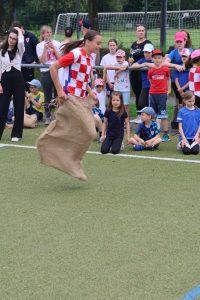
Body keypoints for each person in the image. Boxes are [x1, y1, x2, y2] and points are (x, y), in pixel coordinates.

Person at [37, 30, 102, 181]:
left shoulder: (89, 57)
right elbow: (53, 67)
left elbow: (82, 78)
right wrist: (59, 90)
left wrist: (90, 91)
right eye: (97, 43)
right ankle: (71, 159)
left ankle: (71, 160)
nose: (99, 46)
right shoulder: (76, 54)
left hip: (82, 99)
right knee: (91, 132)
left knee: (88, 131)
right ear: (87, 41)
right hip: (71, 98)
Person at [0, 27, 25, 142]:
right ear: (7, 37)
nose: (12, 40)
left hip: (18, 80)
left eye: (14, 38)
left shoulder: (20, 50)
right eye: (10, 37)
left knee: (19, 106)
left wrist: (18, 30)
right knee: (2, 107)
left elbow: (21, 42)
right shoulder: (1, 51)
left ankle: (16, 134)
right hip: (5, 80)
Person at [36, 25, 61, 125]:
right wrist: (45, 49)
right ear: (43, 34)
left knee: (57, 94)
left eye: (50, 32)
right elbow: (42, 61)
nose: (48, 34)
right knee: (47, 95)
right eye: (46, 32)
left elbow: (60, 58)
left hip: (57, 71)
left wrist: (54, 48)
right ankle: (47, 116)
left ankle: (57, 116)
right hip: (45, 71)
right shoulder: (39, 45)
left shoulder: (57, 43)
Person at [129, 24, 152, 123]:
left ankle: (146, 115)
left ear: (145, 32)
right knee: (137, 94)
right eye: (139, 30)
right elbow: (130, 55)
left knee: (144, 95)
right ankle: (139, 115)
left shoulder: (148, 43)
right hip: (134, 72)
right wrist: (130, 58)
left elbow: (147, 55)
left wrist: (135, 57)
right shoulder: (134, 44)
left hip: (143, 73)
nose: (141, 32)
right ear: (136, 32)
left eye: (142, 30)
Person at [164, 31, 187, 129]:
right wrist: (176, 65)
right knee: (179, 102)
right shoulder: (173, 52)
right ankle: (177, 123)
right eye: (177, 42)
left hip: (187, 81)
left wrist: (185, 65)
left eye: (181, 41)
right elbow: (165, 63)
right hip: (176, 81)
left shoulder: (188, 51)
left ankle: (186, 122)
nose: (179, 43)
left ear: (185, 41)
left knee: (188, 101)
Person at [148, 49, 170, 142]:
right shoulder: (151, 71)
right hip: (152, 94)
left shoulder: (166, 69)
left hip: (162, 95)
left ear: (162, 59)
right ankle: (153, 133)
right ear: (152, 59)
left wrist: (168, 90)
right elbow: (150, 81)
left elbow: (168, 79)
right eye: (155, 58)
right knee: (152, 115)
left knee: (163, 115)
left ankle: (165, 134)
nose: (157, 60)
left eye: (159, 58)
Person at [11, 21, 38, 90]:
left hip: (29, 67)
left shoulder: (30, 36)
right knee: (18, 87)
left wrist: (35, 60)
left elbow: (38, 48)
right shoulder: (15, 38)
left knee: (28, 87)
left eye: (18, 31)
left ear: (22, 28)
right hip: (18, 66)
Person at [129, 43, 154, 118]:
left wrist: (148, 64)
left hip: (154, 86)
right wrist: (144, 64)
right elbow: (133, 66)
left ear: (152, 52)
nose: (147, 54)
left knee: (152, 103)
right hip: (145, 85)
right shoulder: (142, 60)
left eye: (149, 52)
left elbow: (156, 65)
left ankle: (152, 119)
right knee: (141, 102)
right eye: (145, 52)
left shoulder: (154, 60)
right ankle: (146, 117)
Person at [106, 49, 130, 117]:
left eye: (120, 57)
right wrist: (116, 69)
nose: (119, 59)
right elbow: (108, 66)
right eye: (117, 57)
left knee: (126, 106)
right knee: (117, 105)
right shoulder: (115, 63)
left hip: (125, 89)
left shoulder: (126, 63)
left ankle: (126, 121)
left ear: (124, 58)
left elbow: (124, 67)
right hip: (117, 88)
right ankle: (117, 119)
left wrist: (117, 72)